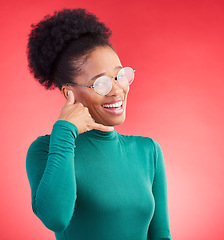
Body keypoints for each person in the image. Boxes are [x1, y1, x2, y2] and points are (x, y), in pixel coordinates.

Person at [26, 8, 172, 240]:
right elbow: (55, 217)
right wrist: (65, 129)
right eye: (100, 84)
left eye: (120, 76)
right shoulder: (46, 150)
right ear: (69, 93)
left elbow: (161, 234)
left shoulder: (148, 151)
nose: (117, 90)